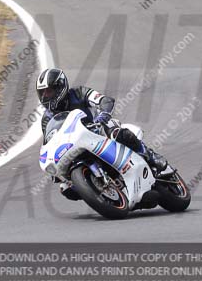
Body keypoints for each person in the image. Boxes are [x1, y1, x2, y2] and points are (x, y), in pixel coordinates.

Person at [37, 68, 170, 200]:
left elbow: (104, 100)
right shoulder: (47, 118)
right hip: (73, 144)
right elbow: (50, 141)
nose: (45, 97)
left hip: (97, 129)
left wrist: (104, 114)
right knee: (66, 189)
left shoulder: (78, 93)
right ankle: (98, 190)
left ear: (60, 87)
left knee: (119, 134)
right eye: (42, 93)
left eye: (49, 92)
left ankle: (151, 156)